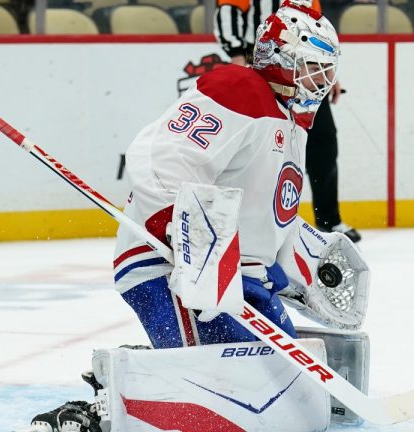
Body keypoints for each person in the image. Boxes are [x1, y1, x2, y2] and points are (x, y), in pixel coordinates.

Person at [19, 2, 371, 431]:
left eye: (326, 69)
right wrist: (191, 241)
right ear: (279, 59)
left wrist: (300, 272)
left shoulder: (290, 125)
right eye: (312, 67)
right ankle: (97, 416)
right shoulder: (239, 88)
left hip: (242, 283)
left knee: (286, 391)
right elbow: (164, 156)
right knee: (227, 399)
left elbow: (268, 216)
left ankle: (147, 367)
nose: (323, 79)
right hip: (174, 272)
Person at [215, 0, 362, 243]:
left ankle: (328, 220)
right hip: (268, 66)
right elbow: (228, 12)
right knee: (266, 142)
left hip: (307, 71)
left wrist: (325, 73)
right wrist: (237, 56)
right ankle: (256, 221)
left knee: (323, 143)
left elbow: (316, 28)